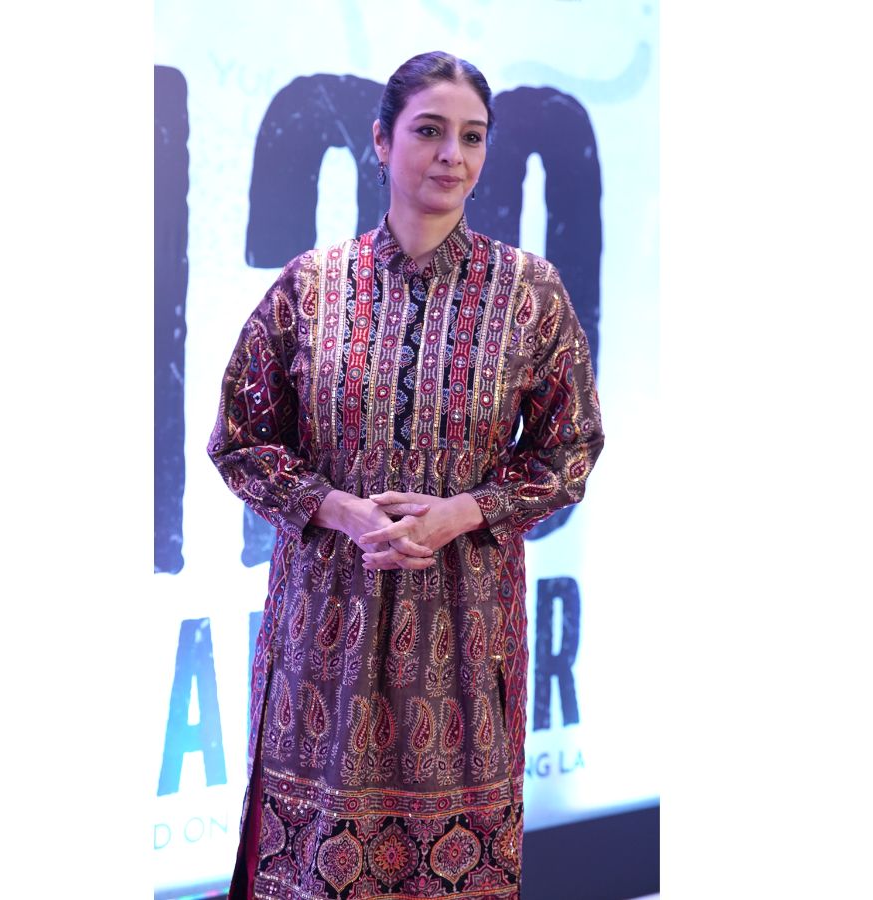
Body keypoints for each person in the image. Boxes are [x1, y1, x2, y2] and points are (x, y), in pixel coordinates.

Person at [209, 50, 604, 900]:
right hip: (326, 637)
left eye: (472, 136)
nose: (452, 155)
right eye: (429, 131)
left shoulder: (531, 295)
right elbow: (239, 439)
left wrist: (465, 510)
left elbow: (571, 449)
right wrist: (338, 509)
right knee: (312, 869)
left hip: (463, 638)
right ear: (382, 142)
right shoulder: (310, 289)